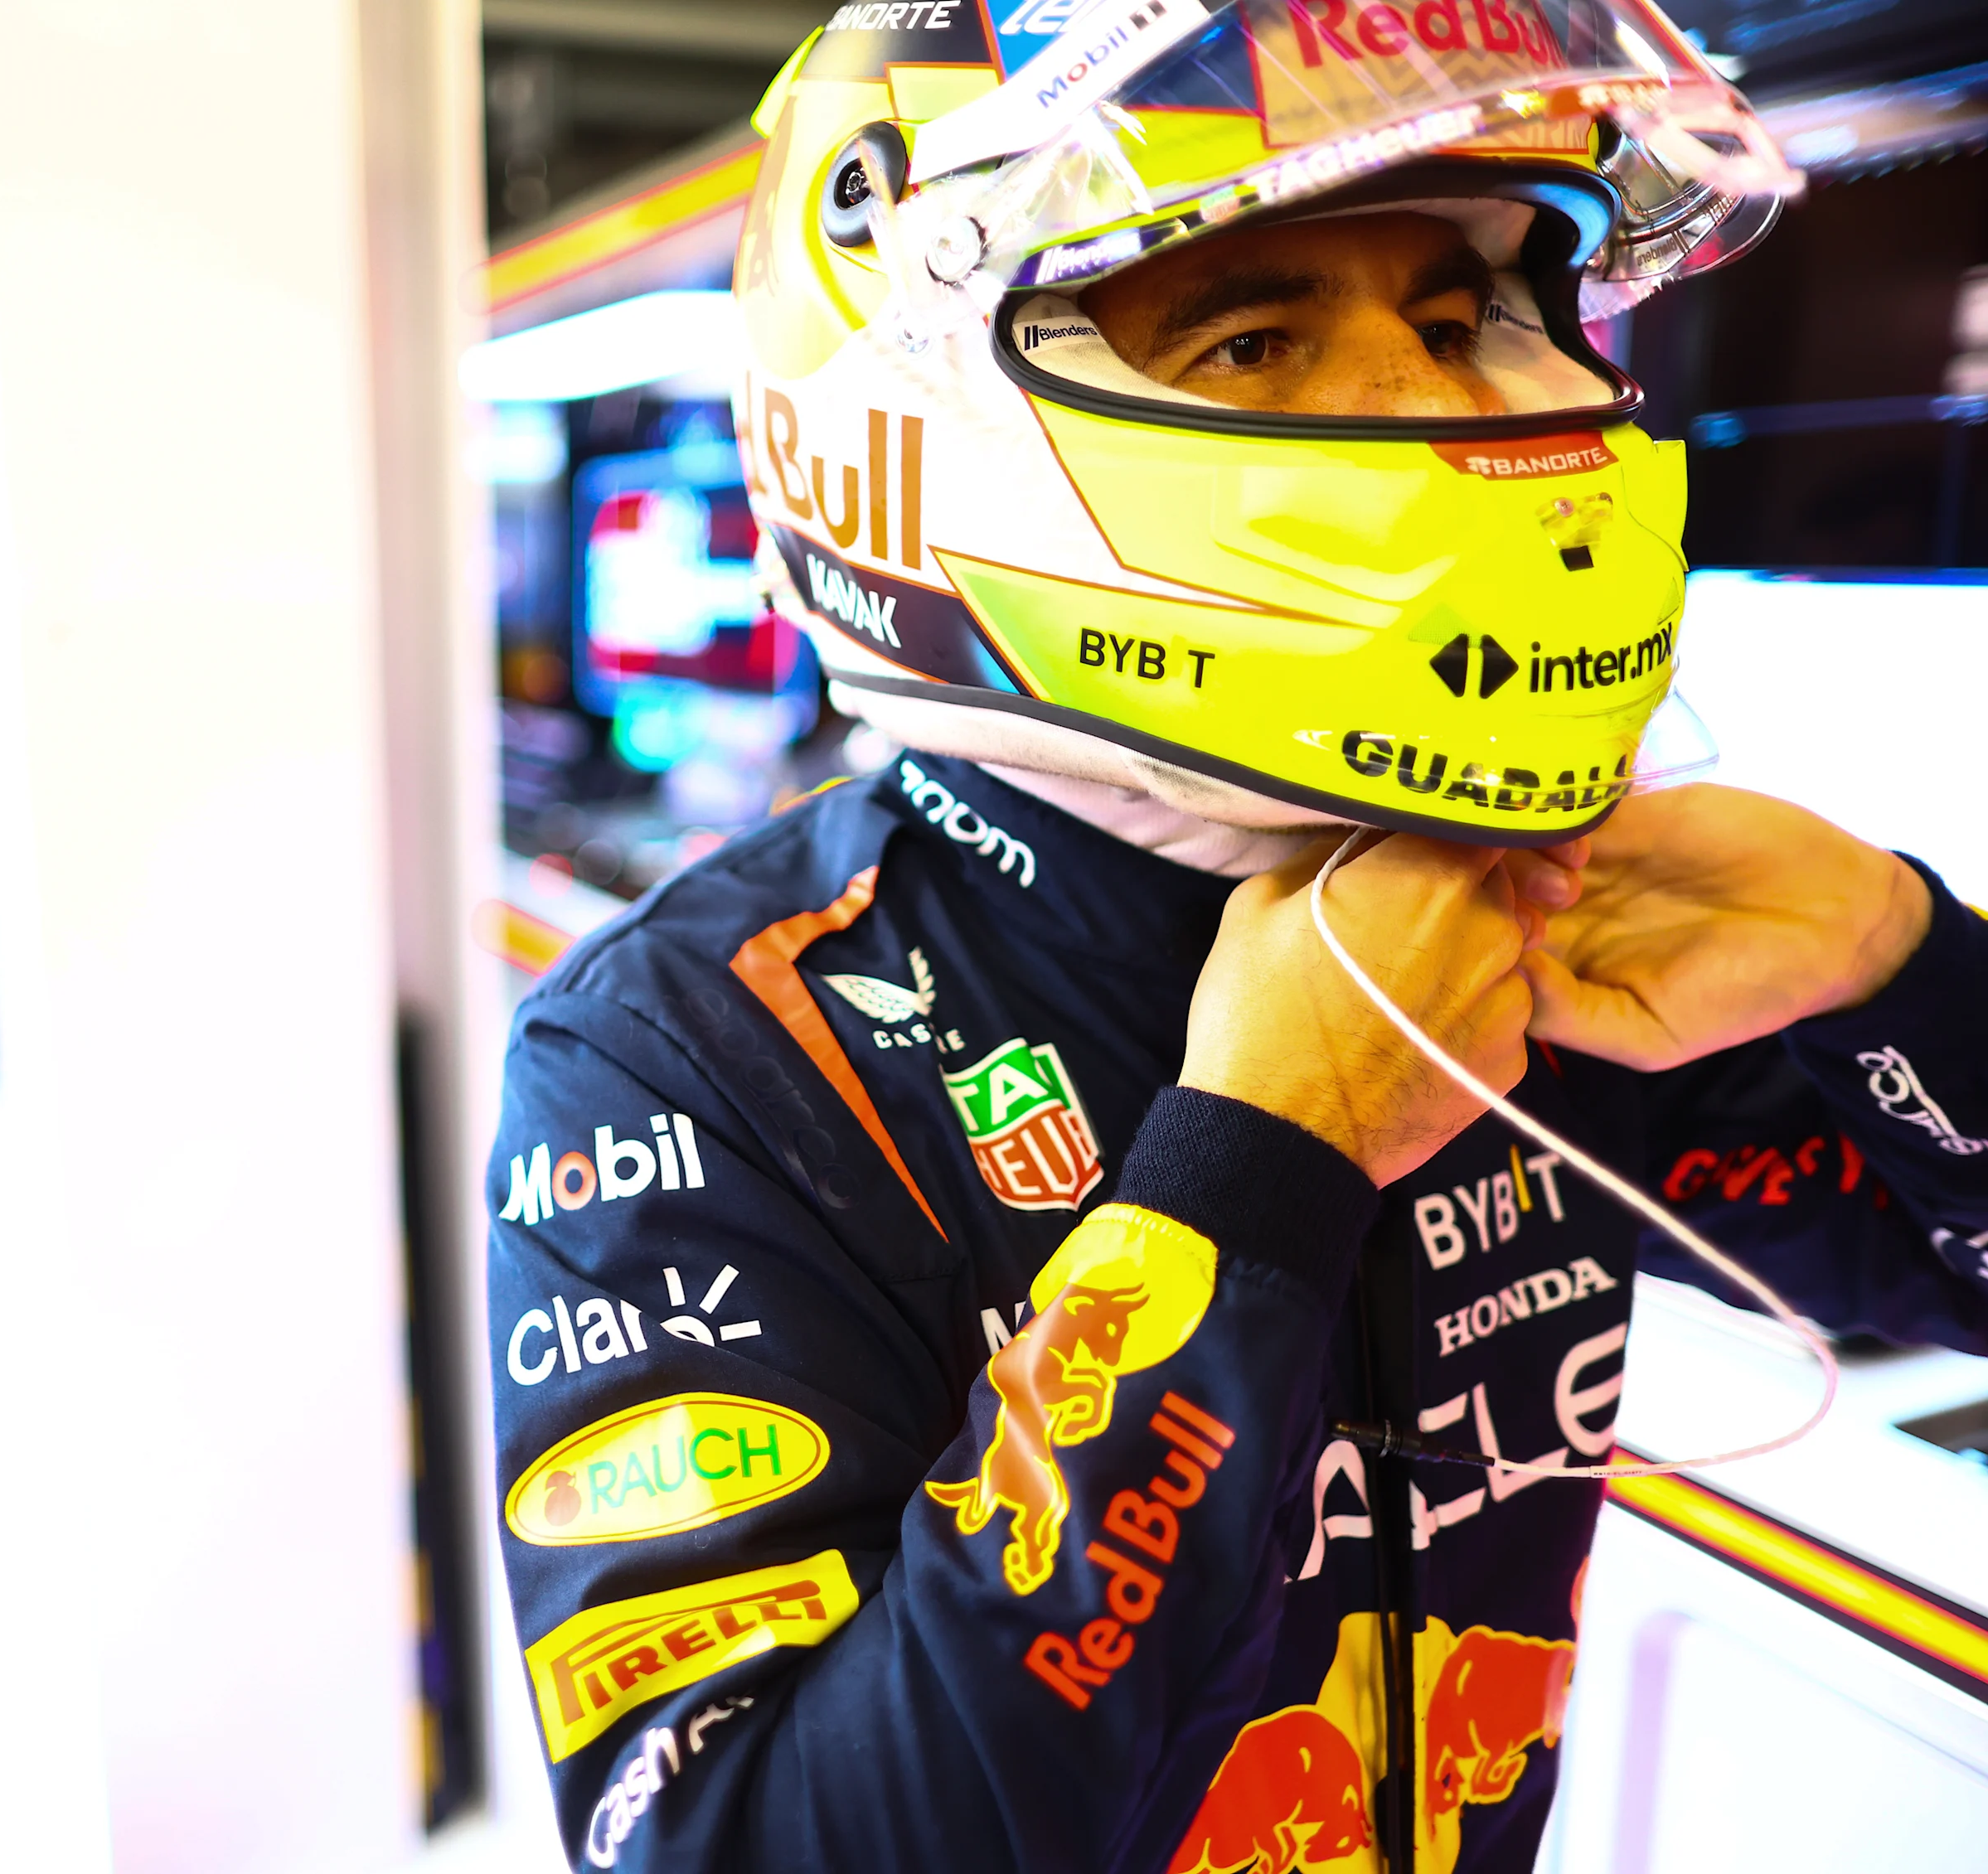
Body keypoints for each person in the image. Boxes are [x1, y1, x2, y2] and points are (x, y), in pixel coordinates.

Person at [486, 10, 1988, 1874]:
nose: (1440, 408)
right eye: (1256, 336)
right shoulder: (684, 1052)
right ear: (931, 431)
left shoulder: (1524, 918)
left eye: (1458, 323)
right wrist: (1250, 1179)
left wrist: (1900, 952)